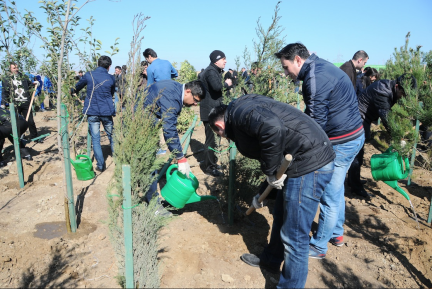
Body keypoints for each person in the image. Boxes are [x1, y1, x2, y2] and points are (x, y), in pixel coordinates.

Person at [208, 94, 335, 288]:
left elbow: (273, 128)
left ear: (219, 127)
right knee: (281, 214)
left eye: (220, 136)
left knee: (295, 237)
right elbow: (271, 151)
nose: (225, 139)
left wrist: (270, 172)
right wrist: (262, 193)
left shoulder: (241, 113)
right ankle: (271, 260)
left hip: (310, 162)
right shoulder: (242, 109)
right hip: (302, 157)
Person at [274, 43, 365, 260]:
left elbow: (315, 126)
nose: (286, 74)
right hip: (354, 135)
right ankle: (336, 233)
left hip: (342, 141)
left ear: (298, 59)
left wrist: (297, 152)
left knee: (328, 195)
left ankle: (319, 246)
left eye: (286, 68)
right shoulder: (322, 66)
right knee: (336, 188)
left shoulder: (314, 79)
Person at [348, 73, 417, 196]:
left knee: (360, 151)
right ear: (397, 86)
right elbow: (386, 117)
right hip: (358, 116)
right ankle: (355, 187)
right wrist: (398, 137)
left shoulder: (392, 89)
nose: (403, 97)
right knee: (357, 152)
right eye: (403, 94)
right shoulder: (382, 91)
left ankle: (353, 180)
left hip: (366, 117)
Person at [74, 56, 116, 172]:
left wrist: (72, 91)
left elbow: (77, 87)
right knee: (112, 136)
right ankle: (118, 161)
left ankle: (101, 165)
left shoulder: (89, 75)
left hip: (92, 111)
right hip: (106, 111)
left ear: (97, 64)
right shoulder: (111, 78)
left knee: (96, 139)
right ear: (109, 66)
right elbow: (111, 93)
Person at [199, 50, 232, 176]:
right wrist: (227, 84)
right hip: (209, 111)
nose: (225, 61)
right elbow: (217, 87)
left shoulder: (213, 71)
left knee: (215, 139)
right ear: (216, 60)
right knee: (211, 141)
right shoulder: (211, 72)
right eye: (223, 59)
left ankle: (212, 163)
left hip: (212, 110)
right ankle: (209, 168)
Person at [1, 63, 40, 140]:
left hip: (25, 101)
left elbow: (30, 85)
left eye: (17, 67)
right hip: (15, 103)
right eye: (14, 68)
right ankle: (19, 137)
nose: (16, 69)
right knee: (17, 122)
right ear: (10, 69)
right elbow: (4, 92)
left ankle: (34, 136)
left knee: (30, 121)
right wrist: (3, 103)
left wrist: (35, 84)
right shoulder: (6, 79)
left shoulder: (23, 77)